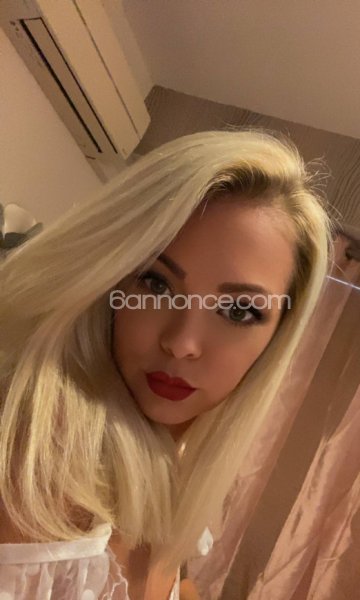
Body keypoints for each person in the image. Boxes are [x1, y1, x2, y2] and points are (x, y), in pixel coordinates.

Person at [0, 128, 334, 599]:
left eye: (239, 311)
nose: (182, 344)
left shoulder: (170, 462)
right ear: (109, 278)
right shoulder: (36, 460)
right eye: (156, 284)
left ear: (276, 337)